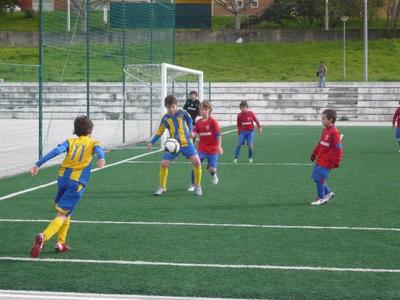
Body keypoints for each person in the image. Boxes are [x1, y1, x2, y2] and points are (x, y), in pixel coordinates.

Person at [30, 116, 105, 258]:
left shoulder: (70, 141)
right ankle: (43, 237)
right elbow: (99, 150)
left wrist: (38, 164)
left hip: (62, 179)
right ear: (90, 130)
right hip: (76, 182)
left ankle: (60, 243)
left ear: (75, 130)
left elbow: (56, 151)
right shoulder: (93, 142)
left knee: (66, 212)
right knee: (63, 214)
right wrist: (101, 158)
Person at [148, 95, 202, 196]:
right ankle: (162, 187)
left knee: (197, 162)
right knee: (164, 163)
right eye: (169, 107)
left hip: (187, 143)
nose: (171, 109)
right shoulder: (165, 118)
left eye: (173, 106)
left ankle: (197, 185)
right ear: (166, 107)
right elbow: (160, 131)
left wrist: (191, 131)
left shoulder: (182, 113)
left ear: (176, 105)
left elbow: (190, 120)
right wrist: (152, 142)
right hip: (174, 145)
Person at [310, 109, 343, 206]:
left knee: (319, 178)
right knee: (316, 177)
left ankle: (321, 198)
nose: (322, 121)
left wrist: (337, 161)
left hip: (327, 161)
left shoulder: (334, 132)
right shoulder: (325, 130)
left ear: (331, 120)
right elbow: (320, 143)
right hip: (320, 158)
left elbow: (339, 149)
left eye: (324, 119)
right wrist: (314, 153)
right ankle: (328, 193)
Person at [188, 101, 223, 191]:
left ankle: (214, 175)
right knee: (195, 164)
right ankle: (193, 184)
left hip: (213, 150)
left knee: (212, 169)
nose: (203, 111)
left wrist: (219, 146)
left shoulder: (213, 122)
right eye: (201, 109)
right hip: (202, 149)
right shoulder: (199, 122)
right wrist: (193, 134)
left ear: (209, 110)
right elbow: (196, 133)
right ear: (199, 111)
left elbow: (218, 134)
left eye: (205, 109)